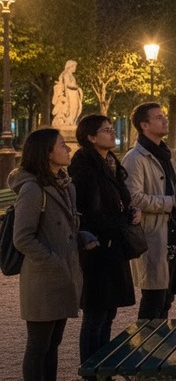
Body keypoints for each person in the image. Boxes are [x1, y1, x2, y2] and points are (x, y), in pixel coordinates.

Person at [8, 128, 96, 380]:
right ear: (47, 153)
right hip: (44, 277)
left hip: (64, 275)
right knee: (39, 344)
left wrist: (81, 237)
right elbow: (22, 237)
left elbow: (65, 227)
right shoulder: (33, 189)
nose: (69, 148)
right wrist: (53, 261)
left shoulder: (65, 186)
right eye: (62, 145)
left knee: (54, 342)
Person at [69, 115, 140, 369]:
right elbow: (87, 209)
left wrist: (130, 212)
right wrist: (117, 222)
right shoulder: (84, 166)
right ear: (90, 137)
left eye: (112, 129)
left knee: (109, 311)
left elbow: (120, 198)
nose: (112, 133)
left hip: (113, 244)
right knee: (96, 312)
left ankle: (103, 364)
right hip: (97, 247)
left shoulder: (109, 162)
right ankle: (91, 367)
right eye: (106, 130)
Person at [122, 102, 176, 319]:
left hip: (170, 231)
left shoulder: (166, 154)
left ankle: (159, 348)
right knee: (153, 300)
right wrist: (170, 202)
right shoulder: (135, 158)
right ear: (144, 125)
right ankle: (146, 350)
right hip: (153, 233)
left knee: (166, 298)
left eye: (164, 115)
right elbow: (133, 197)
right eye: (158, 117)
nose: (165, 120)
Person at [51, 60, 83, 127]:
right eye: (74, 67)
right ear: (70, 67)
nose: (75, 68)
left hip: (74, 94)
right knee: (72, 108)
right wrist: (75, 87)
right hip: (70, 94)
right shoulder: (66, 74)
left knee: (77, 108)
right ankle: (68, 123)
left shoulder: (71, 75)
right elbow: (67, 85)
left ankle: (71, 123)